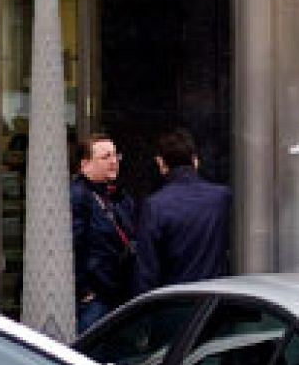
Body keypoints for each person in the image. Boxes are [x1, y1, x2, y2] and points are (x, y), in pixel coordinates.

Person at [132, 129, 232, 294]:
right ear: (195, 160)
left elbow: (146, 272)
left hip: (175, 301)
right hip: (215, 299)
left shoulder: (155, 206)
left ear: (161, 163)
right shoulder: (222, 198)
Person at [71, 133, 136, 332]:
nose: (113, 161)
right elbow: (73, 246)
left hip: (119, 295)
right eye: (106, 157)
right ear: (85, 165)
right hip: (95, 299)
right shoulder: (78, 197)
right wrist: (85, 291)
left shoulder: (119, 196)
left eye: (115, 155)